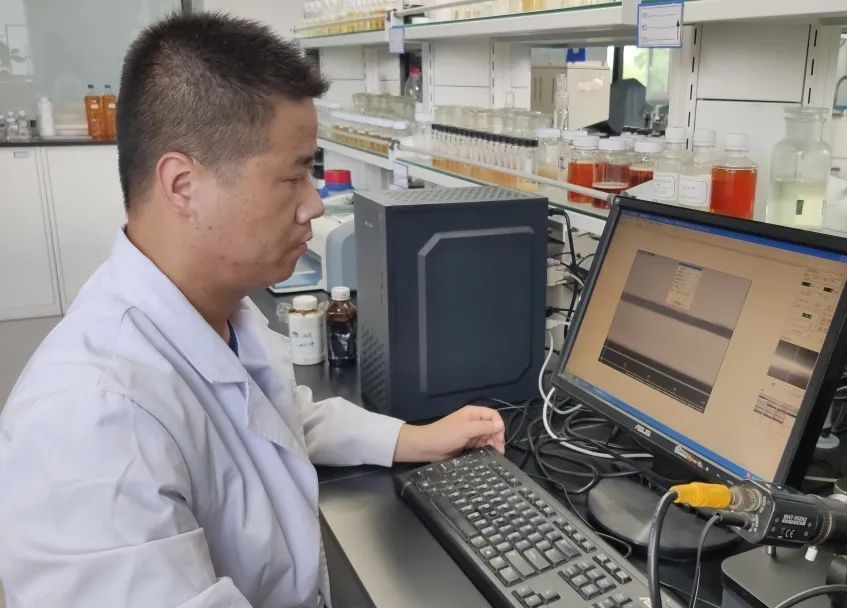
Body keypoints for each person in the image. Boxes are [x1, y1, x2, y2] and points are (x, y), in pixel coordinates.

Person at [0, 12, 505, 608]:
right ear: (183, 185)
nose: (315, 205)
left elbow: (278, 418)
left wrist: (414, 439)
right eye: (294, 176)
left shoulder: (213, 313)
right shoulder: (94, 425)